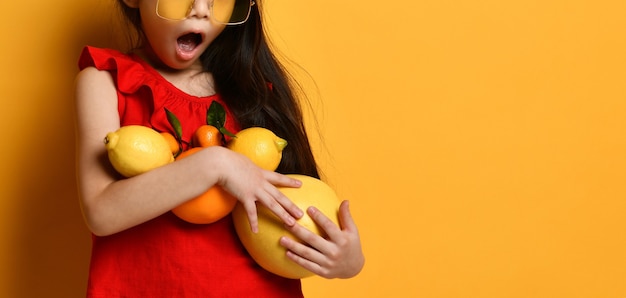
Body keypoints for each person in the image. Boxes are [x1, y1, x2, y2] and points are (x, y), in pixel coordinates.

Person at [74, 0, 365, 296]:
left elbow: (297, 203)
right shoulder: (106, 80)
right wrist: (215, 165)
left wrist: (346, 260)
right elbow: (101, 212)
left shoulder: (253, 93)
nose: (201, 9)